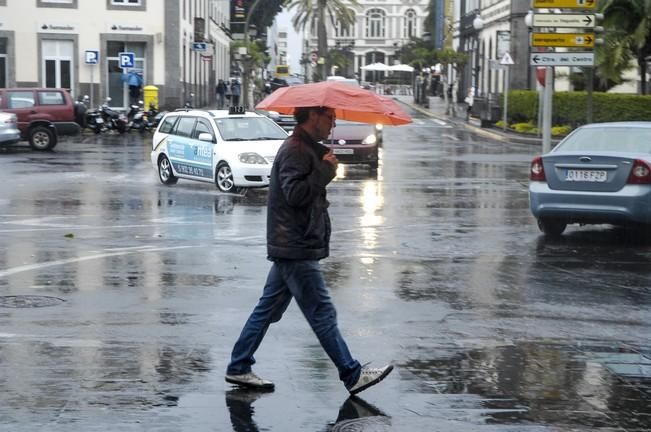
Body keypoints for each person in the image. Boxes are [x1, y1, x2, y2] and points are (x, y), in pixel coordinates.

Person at [225, 106, 393, 395]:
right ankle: (352, 374)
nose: (334, 121)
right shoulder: (295, 150)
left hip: (291, 244)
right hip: (295, 246)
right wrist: (326, 170)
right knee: (321, 312)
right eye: (330, 116)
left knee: (267, 309)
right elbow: (296, 194)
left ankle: (239, 366)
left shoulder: (305, 148)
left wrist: (323, 164)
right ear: (314, 116)